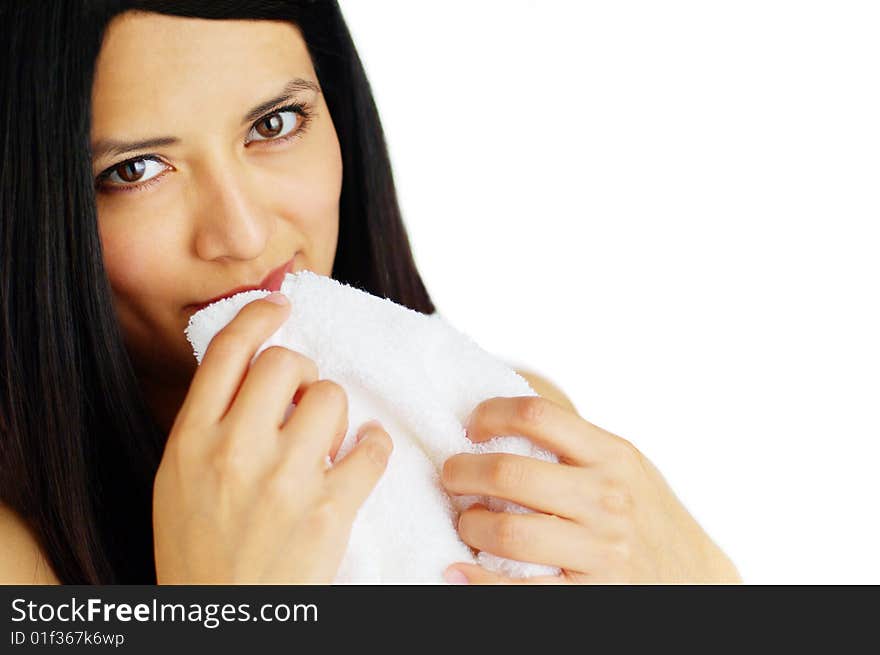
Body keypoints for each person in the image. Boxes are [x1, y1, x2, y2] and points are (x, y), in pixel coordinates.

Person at [0, 1, 741, 584]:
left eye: (275, 123)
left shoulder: (505, 431)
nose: (244, 233)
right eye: (136, 170)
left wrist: (704, 587)